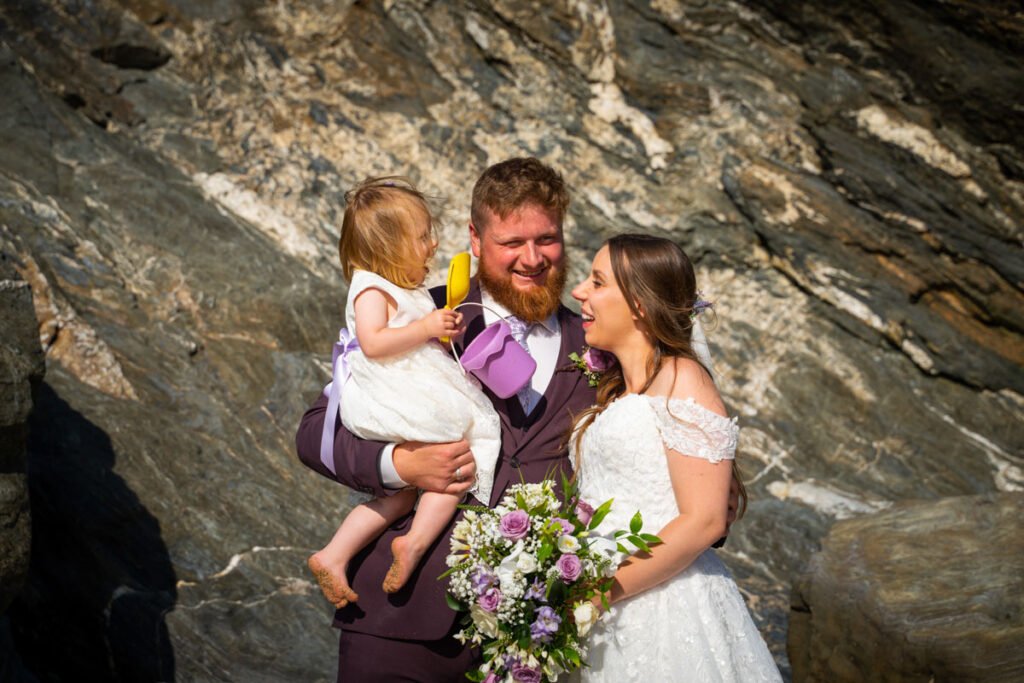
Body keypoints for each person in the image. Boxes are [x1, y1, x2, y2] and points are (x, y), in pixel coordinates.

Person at [295, 159, 740, 682]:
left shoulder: (605, 343)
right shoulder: (415, 317)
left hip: (537, 637)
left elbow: (686, 466)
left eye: (546, 239)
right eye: (512, 242)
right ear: (475, 240)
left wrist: (708, 509)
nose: (532, 259)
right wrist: (401, 464)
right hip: (398, 618)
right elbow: (315, 433)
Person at [569, 233, 781, 682]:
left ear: (639, 305)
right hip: (604, 606)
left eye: (598, 282)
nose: (579, 291)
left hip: (665, 604)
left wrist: (600, 592)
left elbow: (705, 520)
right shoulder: (616, 391)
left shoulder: (683, 379)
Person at [307, 177, 501, 608]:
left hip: (409, 382)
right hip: (393, 391)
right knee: (458, 454)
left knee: (399, 493)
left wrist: (436, 332)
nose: (433, 244)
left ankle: (334, 554)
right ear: (388, 247)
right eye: (423, 236)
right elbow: (374, 343)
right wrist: (425, 329)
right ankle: (413, 545)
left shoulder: (405, 290)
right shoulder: (370, 287)